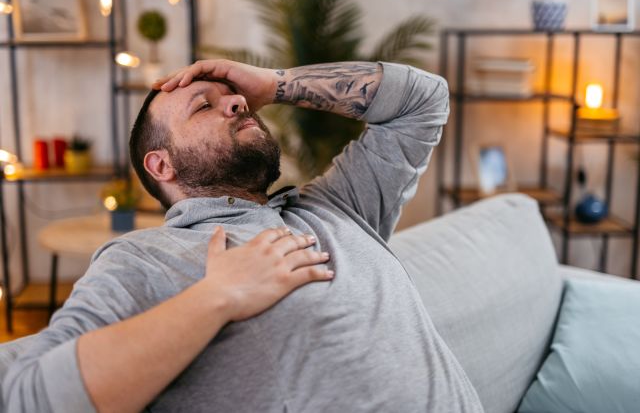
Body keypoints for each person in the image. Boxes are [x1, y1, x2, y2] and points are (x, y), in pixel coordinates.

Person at [3, 60, 484, 412]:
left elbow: (425, 100)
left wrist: (275, 84)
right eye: (203, 107)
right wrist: (218, 296)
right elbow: (29, 395)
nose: (237, 102)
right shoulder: (144, 258)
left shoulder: (339, 206)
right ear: (161, 164)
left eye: (234, 95)